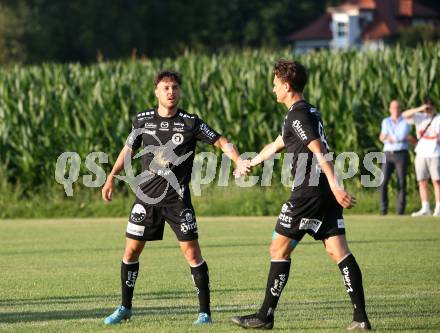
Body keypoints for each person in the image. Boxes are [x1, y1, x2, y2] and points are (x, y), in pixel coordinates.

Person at [231, 60, 371, 331]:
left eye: (274, 84)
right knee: (338, 251)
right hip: (322, 194)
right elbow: (277, 144)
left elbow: (320, 152)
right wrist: (251, 162)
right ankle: (361, 318)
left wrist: (335, 185)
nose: (272, 89)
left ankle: (265, 316)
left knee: (278, 249)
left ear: (286, 85)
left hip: (308, 192)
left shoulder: (298, 115)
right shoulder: (302, 112)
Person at [101, 70, 249, 325]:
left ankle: (204, 313)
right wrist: (111, 176)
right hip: (145, 199)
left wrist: (239, 161)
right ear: (156, 92)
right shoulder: (142, 120)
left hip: (177, 200)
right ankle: (125, 307)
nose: (171, 92)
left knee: (192, 254)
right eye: (166, 88)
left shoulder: (191, 122)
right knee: (131, 251)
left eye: (175, 88)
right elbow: (128, 149)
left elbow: (221, 141)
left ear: (180, 91)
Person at [402, 97, 440, 216]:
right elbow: (404, 115)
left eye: (430, 107)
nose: (428, 109)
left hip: (435, 153)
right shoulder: (419, 117)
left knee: (436, 181)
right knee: (422, 181)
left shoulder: (438, 118)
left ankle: (438, 207)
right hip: (421, 153)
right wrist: (420, 109)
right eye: (426, 107)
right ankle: (425, 207)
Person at [379, 100, 411, 215]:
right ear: (389, 109)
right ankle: (383, 209)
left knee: (401, 182)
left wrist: (390, 137)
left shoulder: (406, 121)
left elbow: (401, 136)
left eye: (397, 107)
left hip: (401, 154)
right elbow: (382, 137)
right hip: (388, 154)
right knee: (383, 181)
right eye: (393, 108)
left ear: (400, 109)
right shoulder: (386, 121)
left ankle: (400, 211)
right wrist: (390, 137)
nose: (395, 110)